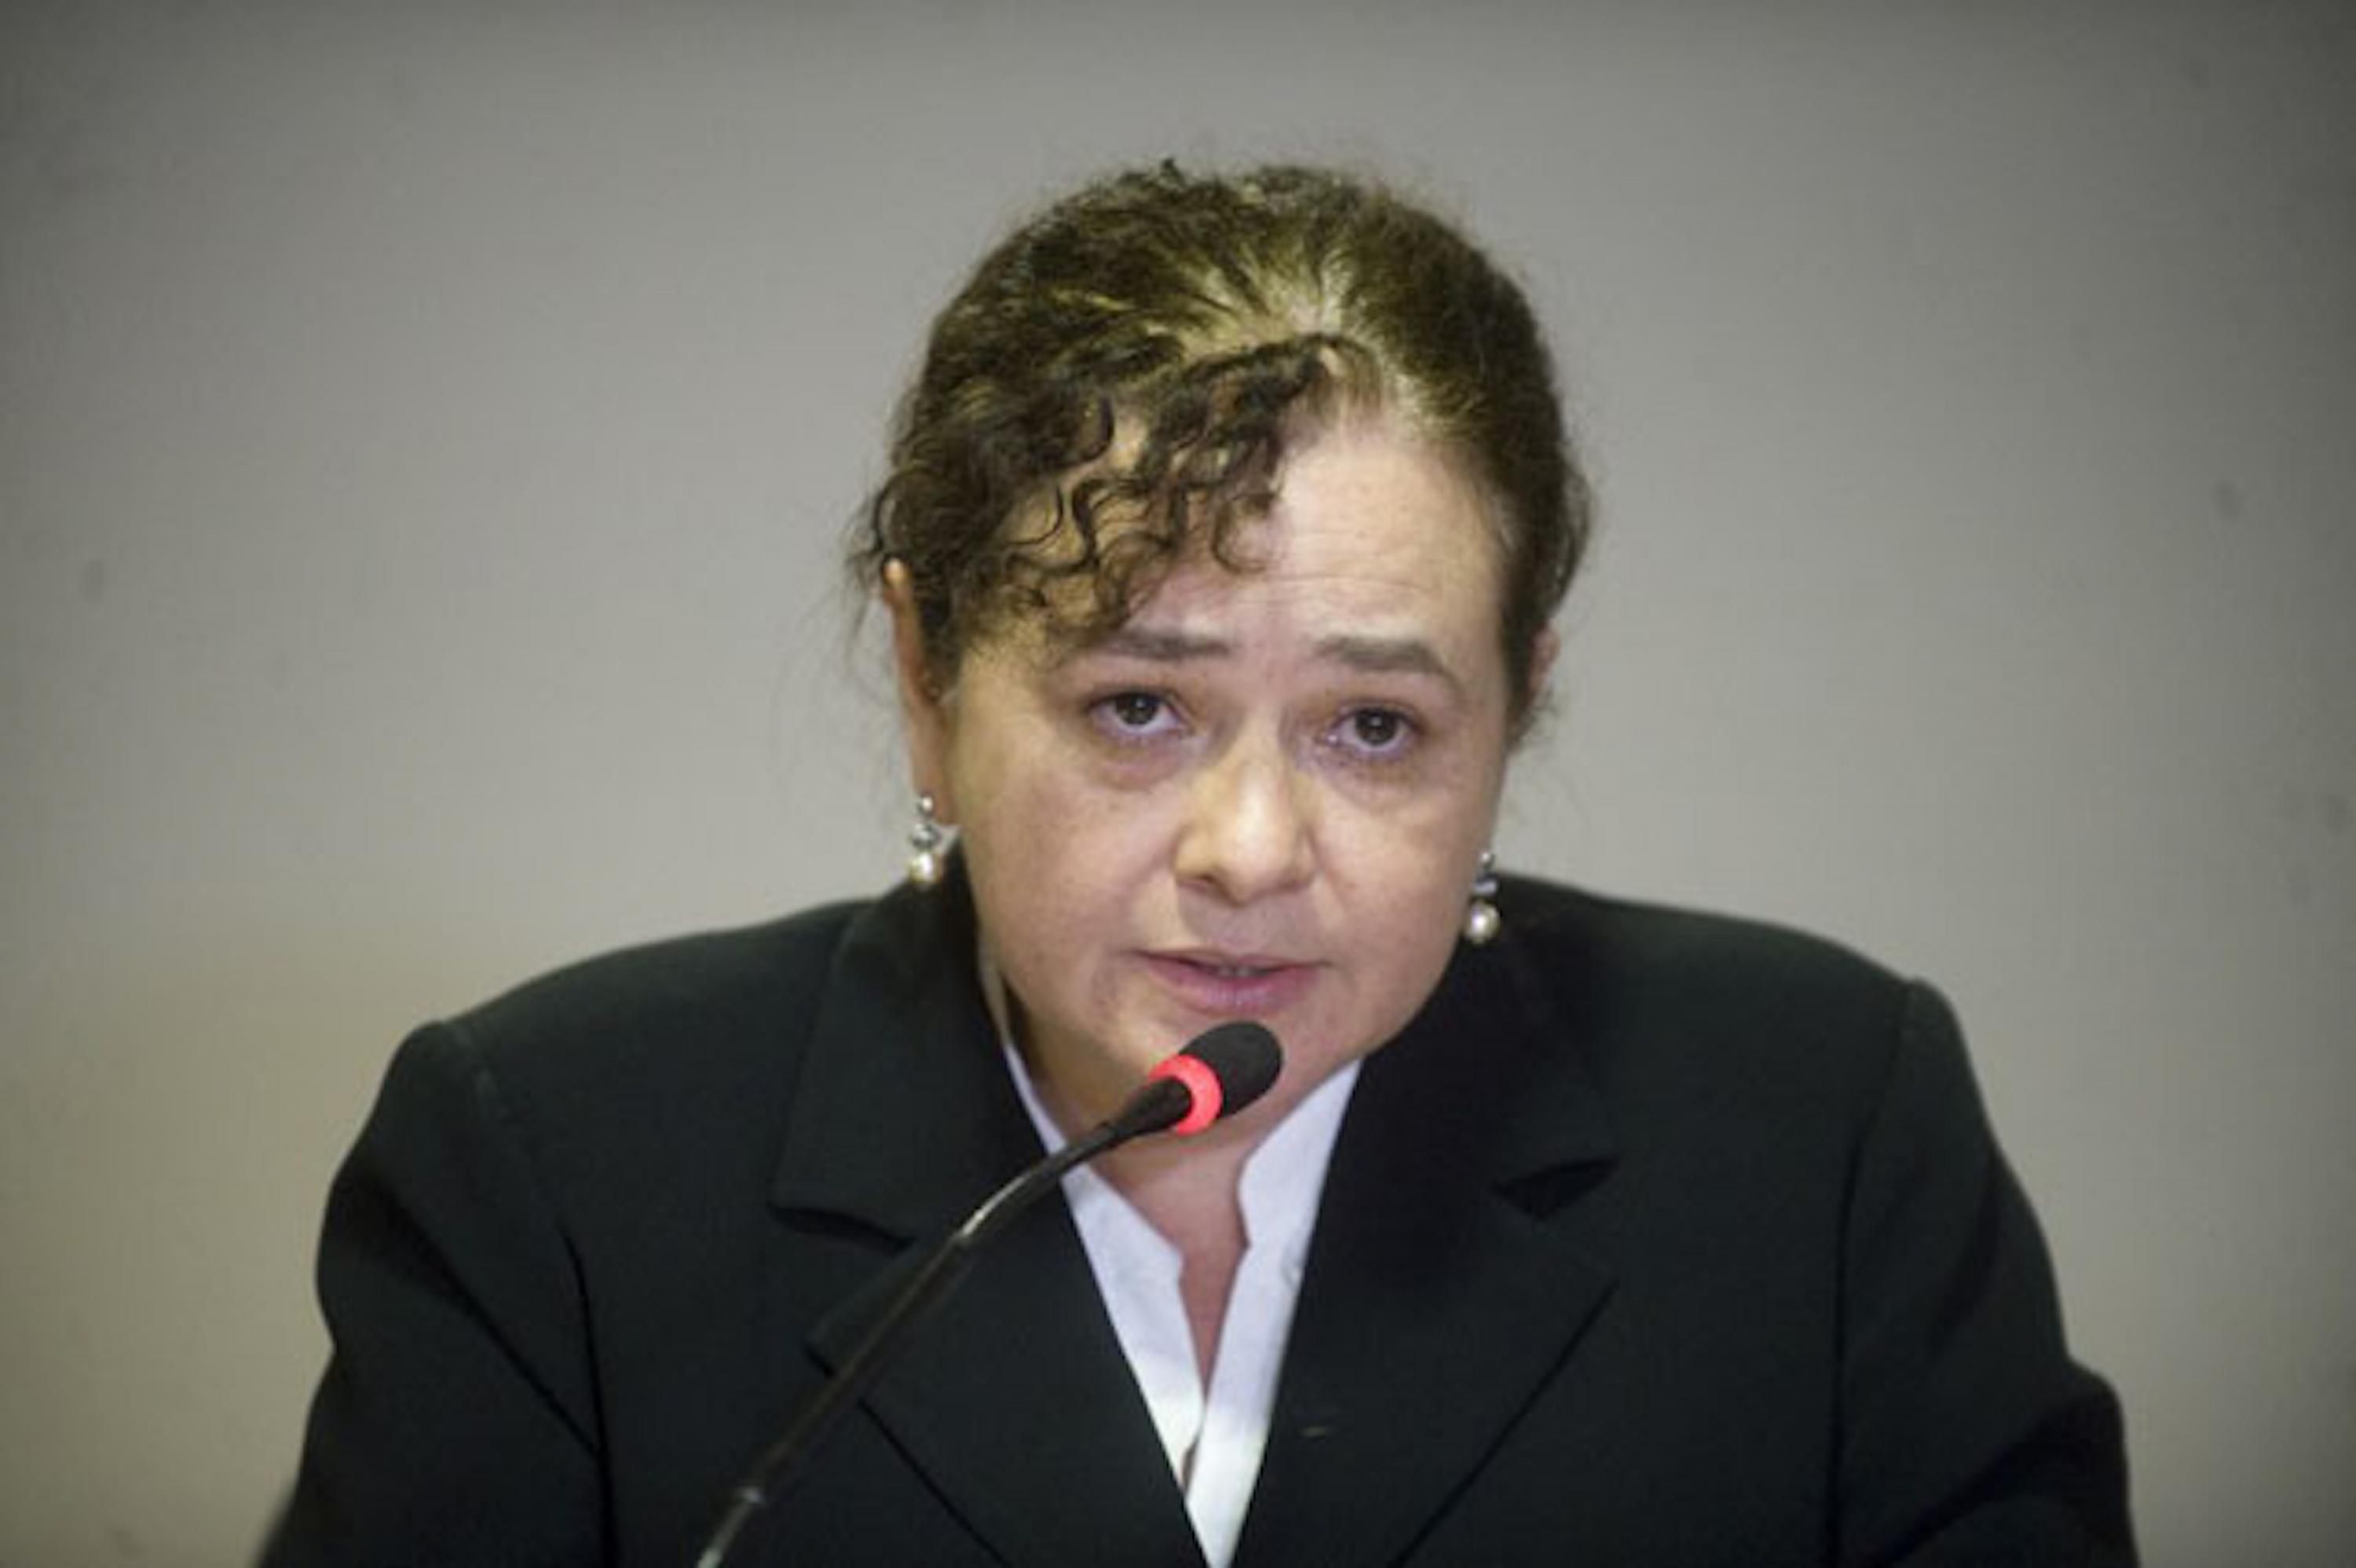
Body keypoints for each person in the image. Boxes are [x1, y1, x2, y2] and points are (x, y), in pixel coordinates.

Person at [262, 163, 2134, 1566]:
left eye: (1376, 729)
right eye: (1141, 707)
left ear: (1516, 706)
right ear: (926, 683)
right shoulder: (553, 1166)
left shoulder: (1820, 1126)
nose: (1254, 855)